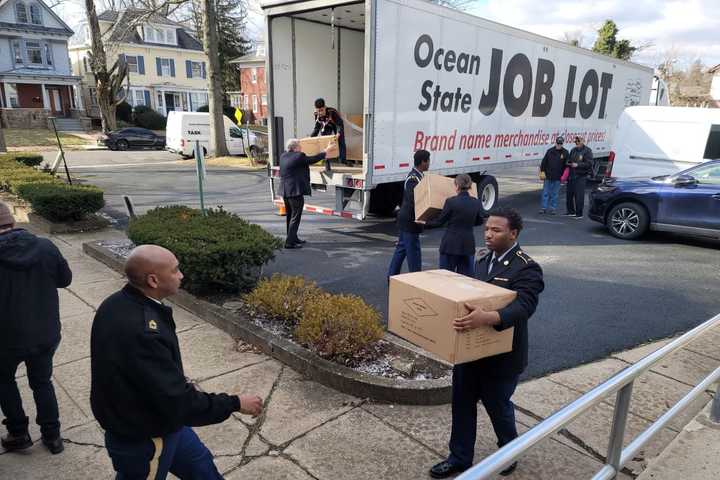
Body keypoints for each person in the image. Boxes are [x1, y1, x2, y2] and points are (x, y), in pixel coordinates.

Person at [90, 245, 264, 479]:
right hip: (145, 437)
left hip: (167, 421)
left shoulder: (117, 302)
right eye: (175, 270)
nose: (181, 275)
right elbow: (178, 401)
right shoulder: (143, 331)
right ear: (153, 280)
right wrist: (235, 403)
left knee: (202, 469)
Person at [429, 207, 544, 479]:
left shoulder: (526, 267)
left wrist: (488, 317)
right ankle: (459, 458)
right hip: (471, 352)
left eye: (496, 230)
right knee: (462, 404)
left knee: (498, 407)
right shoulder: (482, 261)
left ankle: (509, 452)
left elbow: (524, 306)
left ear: (513, 233)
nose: (488, 235)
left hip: (503, 357)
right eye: (487, 229)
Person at [0, 202, 72, 455]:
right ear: (12, 221)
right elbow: (65, 280)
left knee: (4, 382)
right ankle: (52, 437)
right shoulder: (45, 247)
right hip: (45, 333)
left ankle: (19, 432)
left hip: (5, 340)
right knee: (42, 382)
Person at [279, 138, 334, 249]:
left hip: (285, 191)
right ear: (295, 147)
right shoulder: (299, 156)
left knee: (290, 216)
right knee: (295, 216)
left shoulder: (283, 156)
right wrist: (326, 151)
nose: (301, 147)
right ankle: (289, 243)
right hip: (295, 192)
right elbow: (313, 159)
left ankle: (292, 237)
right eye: (299, 145)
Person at [425, 174, 485, 277]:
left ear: (456, 186)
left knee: (446, 278)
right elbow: (479, 221)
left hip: (450, 245)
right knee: (466, 279)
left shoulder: (451, 202)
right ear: (470, 186)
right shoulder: (476, 203)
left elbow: (439, 222)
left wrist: (424, 223)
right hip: (468, 244)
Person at [388, 149, 431, 277]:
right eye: (428, 161)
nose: (429, 163)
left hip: (407, 220)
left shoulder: (419, 176)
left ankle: (392, 276)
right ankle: (416, 279)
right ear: (423, 162)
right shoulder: (413, 179)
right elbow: (415, 201)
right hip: (410, 221)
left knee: (401, 250)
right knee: (414, 253)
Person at [311, 98, 346, 166]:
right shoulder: (316, 114)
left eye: (321, 110)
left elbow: (340, 124)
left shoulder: (332, 112)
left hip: (335, 125)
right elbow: (317, 128)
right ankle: (327, 161)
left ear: (325, 107)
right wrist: (311, 138)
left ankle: (343, 160)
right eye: (318, 111)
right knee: (325, 141)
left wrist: (338, 133)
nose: (320, 113)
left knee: (340, 140)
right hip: (326, 126)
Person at [564, 136, 593, 218]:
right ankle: (570, 211)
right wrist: (568, 163)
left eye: (578, 141)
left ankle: (579, 213)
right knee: (569, 195)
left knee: (579, 196)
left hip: (581, 176)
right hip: (571, 175)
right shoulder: (573, 150)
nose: (577, 143)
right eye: (576, 141)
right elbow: (569, 160)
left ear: (583, 141)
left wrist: (578, 165)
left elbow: (589, 163)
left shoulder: (587, 150)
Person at [538, 137, 569, 215]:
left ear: (562, 144)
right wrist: (542, 172)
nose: (559, 145)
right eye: (558, 143)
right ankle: (543, 208)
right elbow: (544, 162)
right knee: (545, 193)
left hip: (558, 177)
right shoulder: (550, 151)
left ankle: (553, 208)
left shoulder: (565, 152)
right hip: (548, 176)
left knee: (554, 194)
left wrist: (565, 176)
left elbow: (567, 166)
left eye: (560, 143)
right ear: (555, 143)